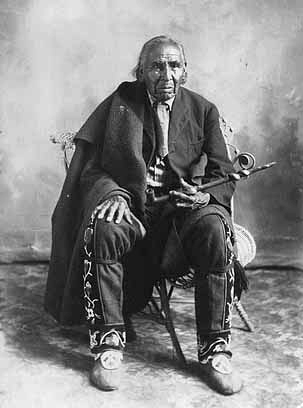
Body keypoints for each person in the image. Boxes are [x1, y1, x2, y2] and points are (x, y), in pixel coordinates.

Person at [45, 35, 245, 395]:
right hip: (134, 206)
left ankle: (216, 350)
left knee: (216, 230)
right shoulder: (121, 104)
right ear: (140, 72)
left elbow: (223, 173)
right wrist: (114, 193)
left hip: (183, 211)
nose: (166, 74)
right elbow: (91, 167)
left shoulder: (204, 110)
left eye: (174, 65)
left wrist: (203, 195)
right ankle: (108, 343)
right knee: (104, 228)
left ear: (185, 72)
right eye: (156, 66)